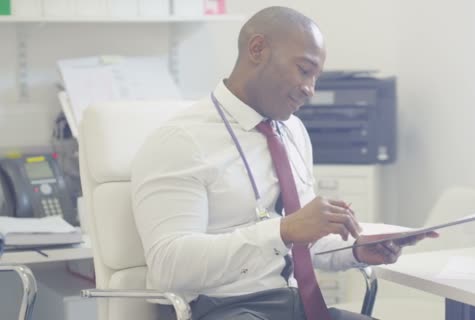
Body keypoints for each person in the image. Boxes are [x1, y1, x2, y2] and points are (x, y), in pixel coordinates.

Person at [131, 6, 437, 320]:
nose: (310, 90)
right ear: (257, 49)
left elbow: (302, 245)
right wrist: (283, 230)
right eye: (304, 70)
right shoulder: (180, 141)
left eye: (315, 78)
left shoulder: (292, 130)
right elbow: (169, 267)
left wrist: (357, 251)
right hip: (225, 310)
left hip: (296, 307)